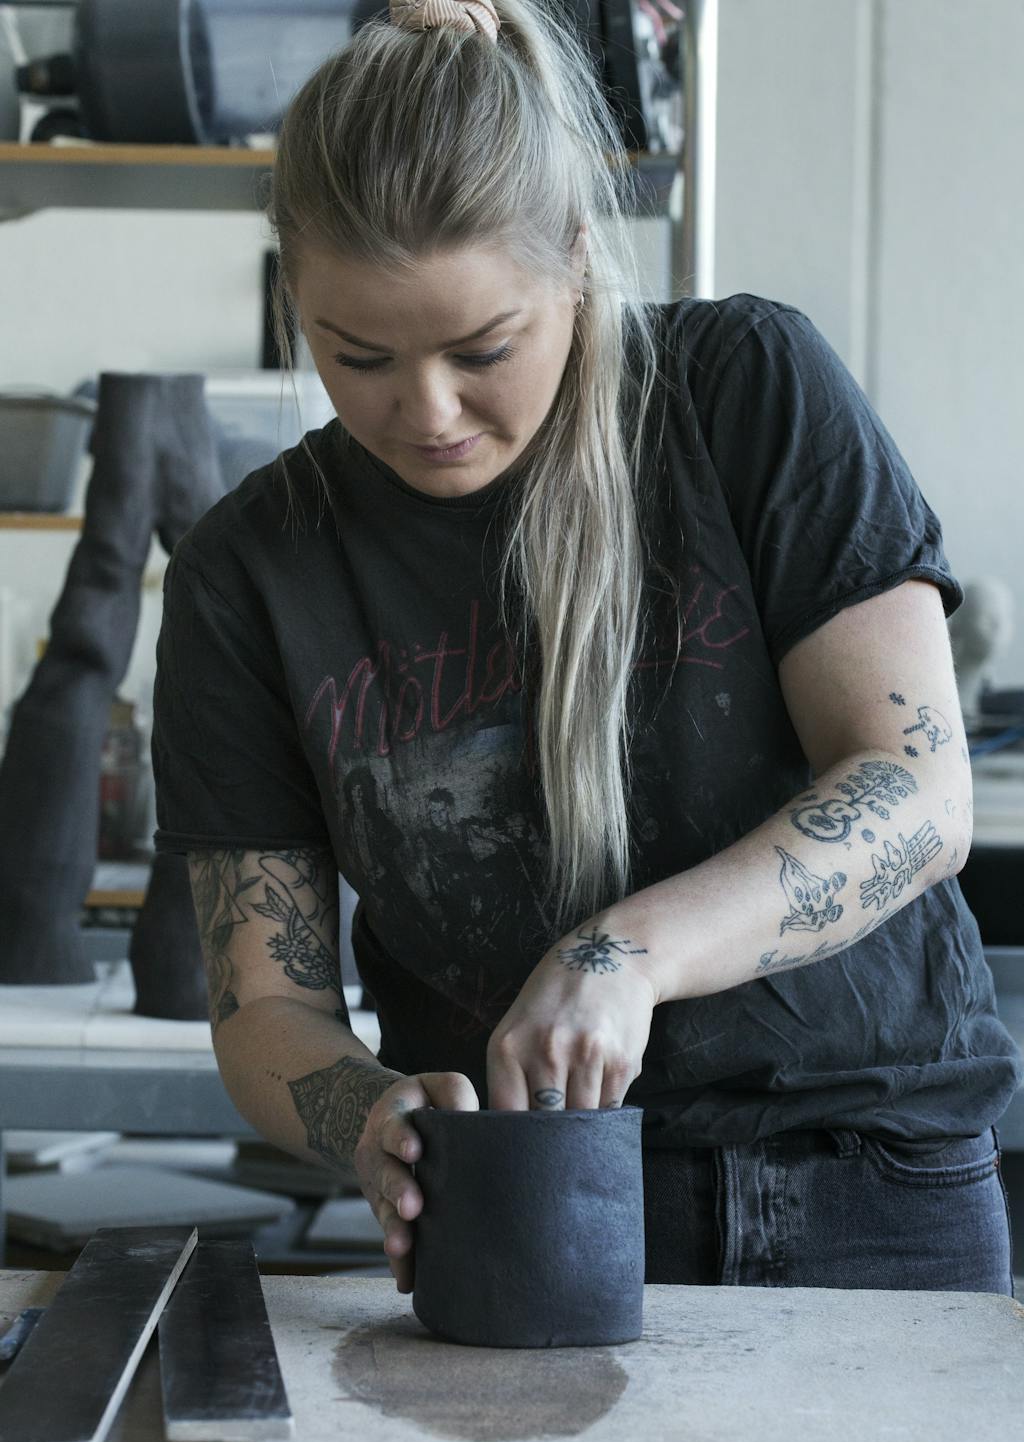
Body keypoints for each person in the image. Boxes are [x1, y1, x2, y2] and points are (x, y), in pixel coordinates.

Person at [152, 0, 1022, 1296]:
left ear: (573, 254)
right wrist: (368, 1116)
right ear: (294, 297)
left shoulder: (744, 389)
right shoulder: (247, 573)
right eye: (359, 355)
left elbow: (916, 788)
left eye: (482, 349)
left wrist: (624, 957)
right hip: (532, 1209)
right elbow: (267, 1009)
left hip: (874, 1181)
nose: (428, 410)